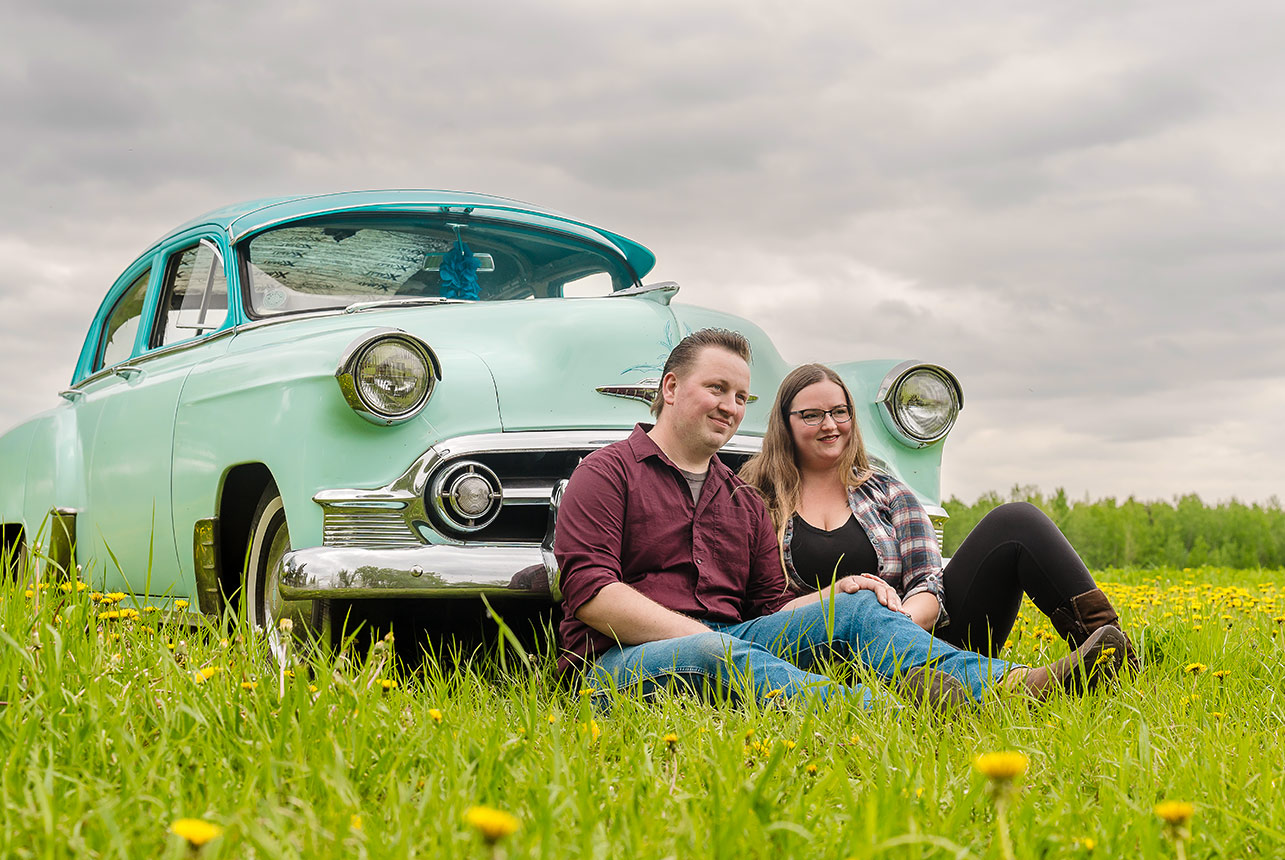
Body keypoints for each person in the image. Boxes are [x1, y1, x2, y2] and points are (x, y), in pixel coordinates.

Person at [554, 330, 1125, 708]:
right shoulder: (607, 473)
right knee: (714, 653)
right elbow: (592, 595)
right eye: (717, 389)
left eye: (741, 397)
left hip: (731, 639)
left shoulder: (742, 500)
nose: (730, 406)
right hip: (618, 662)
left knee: (854, 609)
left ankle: (1009, 686)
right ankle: (883, 711)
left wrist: (836, 594)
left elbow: (768, 610)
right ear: (671, 388)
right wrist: (706, 638)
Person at [739, 362, 1138, 670]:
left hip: (922, 641)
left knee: (1017, 521)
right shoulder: (757, 502)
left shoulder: (888, 492)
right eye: (812, 415)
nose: (830, 425)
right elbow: (762, 609)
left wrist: (889, 629)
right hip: (815, 656)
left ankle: (1112, 656)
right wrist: (855, 621)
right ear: (785, 423)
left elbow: (928, 586)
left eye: (840, 412)